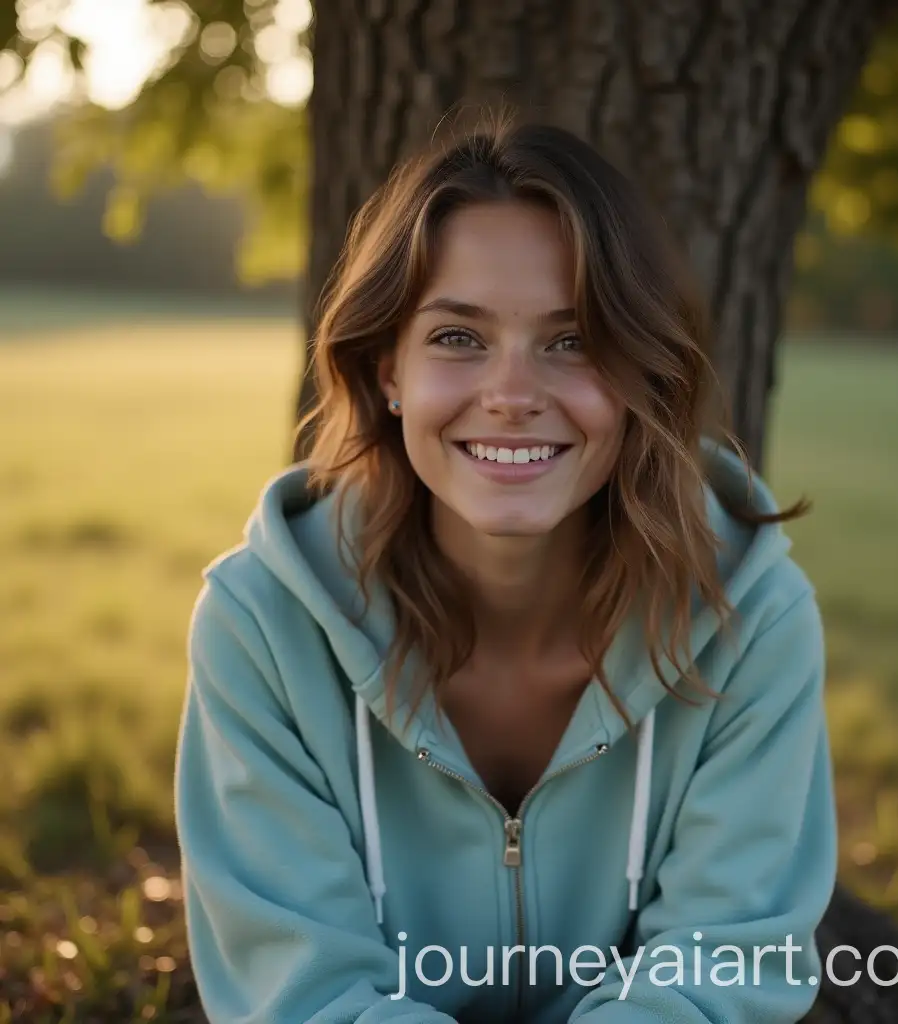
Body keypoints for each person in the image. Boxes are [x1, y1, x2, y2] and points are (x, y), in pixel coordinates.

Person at [174, 113, 838, 1024]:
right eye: (458, 338)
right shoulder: (262, 626)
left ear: (638, 372)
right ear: (386, 371)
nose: (514, 397)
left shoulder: (749, 618)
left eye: (572, 341)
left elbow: (718, 971)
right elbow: (304, 994)